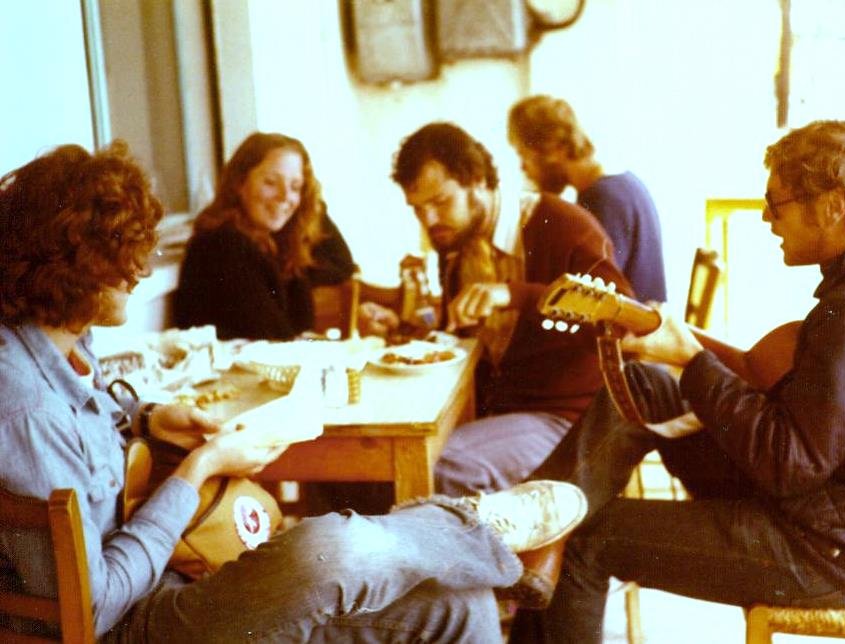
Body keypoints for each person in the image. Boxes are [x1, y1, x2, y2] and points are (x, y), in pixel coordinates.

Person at [0, 141, 590, 642]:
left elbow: (97, 419)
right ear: (71, 262)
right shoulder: (25, 408)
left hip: (174, 575)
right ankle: (477, 526)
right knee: (324, 549)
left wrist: (151, 418)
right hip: (136, 622)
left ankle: (470, 534)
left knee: (460, 607)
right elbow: (92, 608)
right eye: (122, 254)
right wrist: (199, 469)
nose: (141, 271)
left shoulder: (61, 341)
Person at [509, 119, 845, 642]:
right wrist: (688, 364)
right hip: (841, 520)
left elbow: (788, 464)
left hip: (831, 552)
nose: (765, 217)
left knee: (590, 539)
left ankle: (539, 542)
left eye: (776, 204)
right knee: (647, 385)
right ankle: (538, 532)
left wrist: (693, 360)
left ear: (832, 206)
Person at [391, 122, 632, 497]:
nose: (429, 221)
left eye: (440, 202)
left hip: (571, 422)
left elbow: (623, 322)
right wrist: (408, 325)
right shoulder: (456, 241)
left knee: (442, 465)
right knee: (382, 461)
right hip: (502, 416)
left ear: (478, 182)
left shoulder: (562, 225)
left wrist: (516, 294)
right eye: (418, 209)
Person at [174, 131, 399, 340]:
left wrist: (359, 317)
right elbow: (277, 341)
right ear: (239, 183)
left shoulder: (274, 243)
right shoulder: (222, 245)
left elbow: (340, 269)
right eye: (271, 182)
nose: (285, 197)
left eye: (295, 187)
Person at [508, 94, 667, 303]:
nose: (523, 168)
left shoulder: (604, 198)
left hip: (629, 322)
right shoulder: (620, 184)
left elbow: (591, 292)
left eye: (524, 155)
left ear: (555, 149)